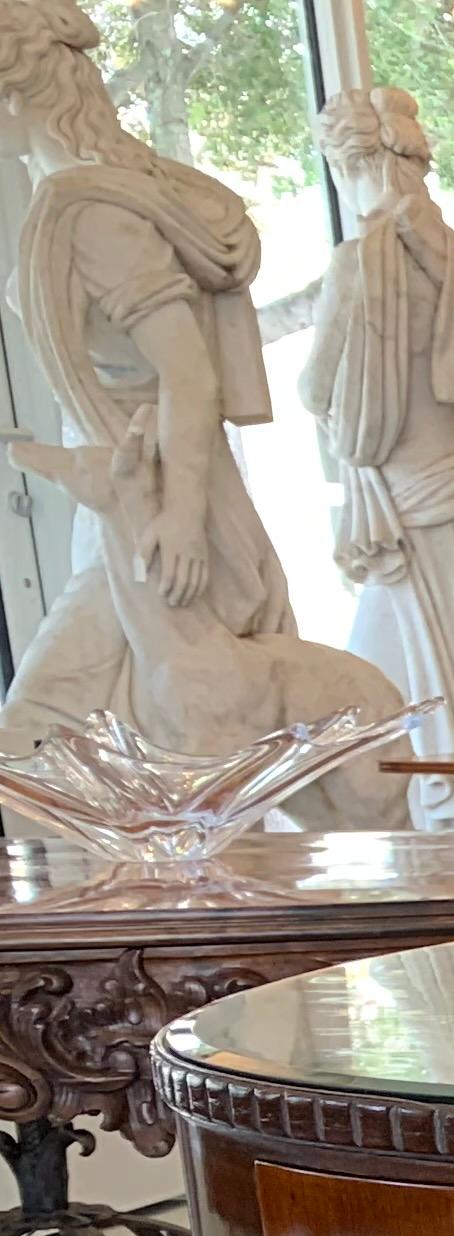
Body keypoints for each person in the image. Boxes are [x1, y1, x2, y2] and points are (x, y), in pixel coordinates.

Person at [0, 0, 311, 750]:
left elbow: (190, 376)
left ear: (12, 96)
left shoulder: (95, 214)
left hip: (157, 510)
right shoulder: (68, 200)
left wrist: (180, 518)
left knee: (37, 740)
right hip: (121, 502)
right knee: (138, 758)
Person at [307, 85, 454, 800]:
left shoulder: (357, 265)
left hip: (411, 500)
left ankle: (449, 824)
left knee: (414, 688)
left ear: (345, 165)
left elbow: (314, 390)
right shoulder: (452, 262)